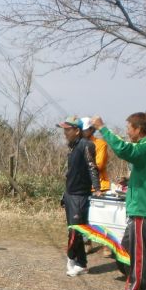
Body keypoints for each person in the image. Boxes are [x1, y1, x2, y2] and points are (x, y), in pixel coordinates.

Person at [92, 113, 146, 290]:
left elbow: (123, 149)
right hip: (141, 207)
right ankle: (135, 285)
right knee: (130, 248)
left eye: (129, 127)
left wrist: (102, 128)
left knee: (139, 252)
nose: (127, 131)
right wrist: (130, 180)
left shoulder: (145, 147)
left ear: (138, 129)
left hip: (143, 208)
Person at [59, 116, 101, 277]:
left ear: (77, 130)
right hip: (70, 194)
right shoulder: (72, 146)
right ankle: (81, 263)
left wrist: (96, 188)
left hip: (80, 195)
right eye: (64, 129)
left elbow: (92, 167)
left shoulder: (86, 145)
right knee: (73, 229)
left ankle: (72, 258)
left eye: (67, 130)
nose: (65, 133)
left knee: (75, 231)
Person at [80, 117, 110, 192]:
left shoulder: (100, 144)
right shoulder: (78, 144)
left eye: (84, 130)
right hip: (81, 186)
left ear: (91, 129)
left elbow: (98, 165)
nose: (82, 132)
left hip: (99, 187)